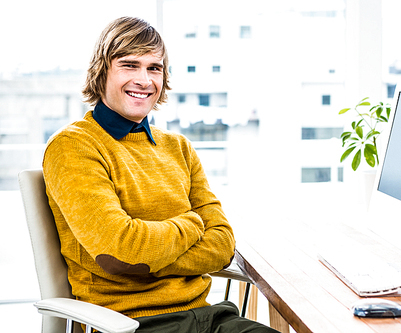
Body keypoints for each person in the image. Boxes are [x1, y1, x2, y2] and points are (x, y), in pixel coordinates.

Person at [43, 16, 278, 333]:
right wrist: (193, 223)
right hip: (131, 324)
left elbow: (222, 244)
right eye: (129, 65)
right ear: (101, 72)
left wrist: (148, 257)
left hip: (209, 318)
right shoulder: (73, 147)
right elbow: (120, 252)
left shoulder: (179, 147)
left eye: (154, 68)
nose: (144, 80)